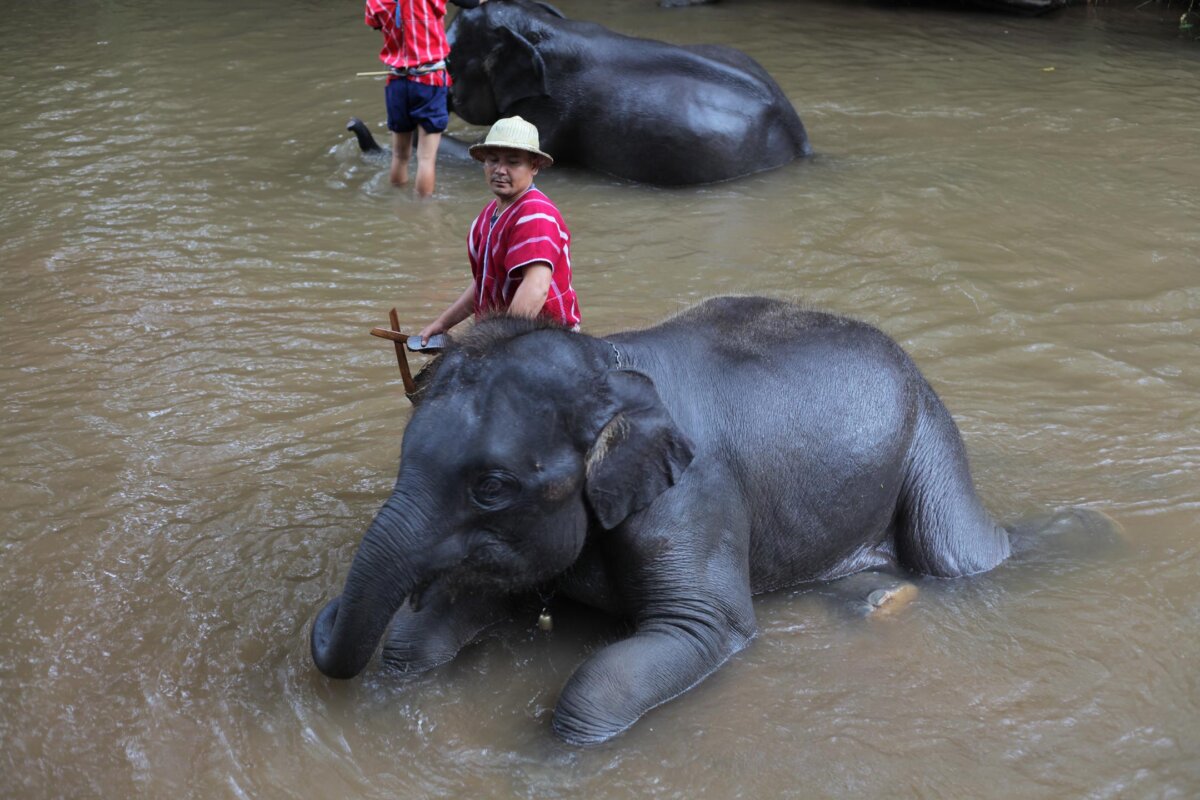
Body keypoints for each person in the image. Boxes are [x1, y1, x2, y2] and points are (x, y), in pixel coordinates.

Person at [419, 116, 580, 342]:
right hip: (507, 334)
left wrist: (499, 344)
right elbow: (484, 281)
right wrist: (442, 324)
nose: (500, 170)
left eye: (513, 162)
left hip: (546, 340)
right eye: (493, 160)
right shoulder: (488, 215)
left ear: (533, 166)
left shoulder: (535, 213)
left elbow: (536, 287)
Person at [364, 0, 489, 196]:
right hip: (429, 81)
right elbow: (470, 2)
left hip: (397, 82)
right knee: (426, 158)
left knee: (399, 155)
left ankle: (397, 201)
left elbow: (375, 24)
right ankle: (424, 211)